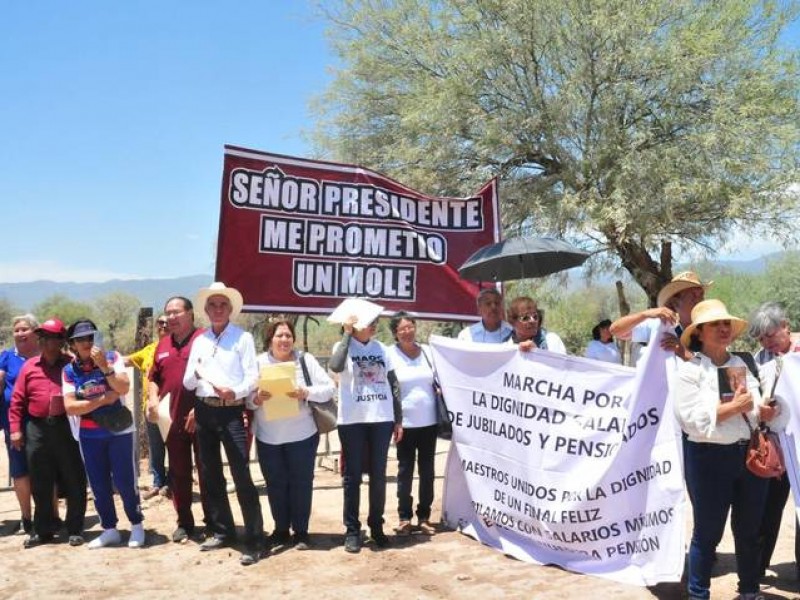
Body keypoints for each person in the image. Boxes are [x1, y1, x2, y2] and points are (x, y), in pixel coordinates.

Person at [675, 299, 787, 600]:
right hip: (708, 458)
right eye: (716, 324)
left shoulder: (741, 364)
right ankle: (699, 594)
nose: (724, 329)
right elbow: (691, 421)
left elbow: (751, 409)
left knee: (750, 530)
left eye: (726, 324)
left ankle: (749, 591)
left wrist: (761, 412)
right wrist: (730, 408)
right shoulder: (689, 372)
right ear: (699, 332)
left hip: (747, 455)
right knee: (707, 533)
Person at [183, 282, 265, 566]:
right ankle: (222, 530)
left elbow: (252, 377)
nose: (217, 309)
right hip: (205, 410)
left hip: (231, 411)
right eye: (213, 305)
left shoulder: (242, 339)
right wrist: (197, 374)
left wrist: (236, 392)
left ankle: (255, 538)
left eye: (223, 305)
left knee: (241, 474)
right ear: (206, 310)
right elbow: (187, 382)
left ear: (230, 310)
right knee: (210, 473)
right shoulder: (200, 341)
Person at [252, 318, 335, 550]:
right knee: (275, 484)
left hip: (303, 435)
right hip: (269, 437)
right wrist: (257, 398)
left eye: (288, 335)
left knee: (301, 484)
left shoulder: (305, 360)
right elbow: (247, 399)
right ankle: (280, 530)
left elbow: (329, 388)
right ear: (270, 340)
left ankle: (300, 532)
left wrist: (305, 392)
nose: (284, 340)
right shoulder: (258, 363)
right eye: (279, 335)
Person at [62, 318, 144, 549]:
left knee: (126, 481)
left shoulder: (112, 358)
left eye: (91, 337)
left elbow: (123, 387)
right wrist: (103, 400)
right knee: (98, 484)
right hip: (89, 434)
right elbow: (70, 406)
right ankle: (109, 529)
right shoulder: (69, 371)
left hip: (119, 432)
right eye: (81, 339)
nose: (87, 342)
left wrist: (104, 368)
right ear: (72, 344)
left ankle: (137, 525)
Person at [9, 318, 87, 548]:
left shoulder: (71, 364)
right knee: (41, 480)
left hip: (66, 426)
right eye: (42, 337)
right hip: (37, 428)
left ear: (61, 340)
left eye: (51, 337)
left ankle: (74, 528)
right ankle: (43, 530)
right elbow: (17, 401)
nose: (45, 341)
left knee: (73, 477)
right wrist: (15, 430)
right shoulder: (30, 366)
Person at [329, 314, 403, 554]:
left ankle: (376, 526)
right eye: (367, 321)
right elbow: (336, 366)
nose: (372, 325)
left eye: (374, 321)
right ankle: (352, 530)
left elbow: (393, 384)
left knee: (378, 475)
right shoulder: (342, 345)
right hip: (352, 420)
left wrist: (398, 419)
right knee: (352, 477)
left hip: (381, 418)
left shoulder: (382, 348)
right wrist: (347, 335)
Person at [147, 296, 210, 544]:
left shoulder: (205, 340)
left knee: (207, 472)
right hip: (171, 420)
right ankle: (184, 522)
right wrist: (152, 399)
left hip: (202, 418)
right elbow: (154, 378)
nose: (171, 317)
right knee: (178, 473)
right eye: (168, 313)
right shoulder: (162, 345)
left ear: (191, 314)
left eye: (177, 312)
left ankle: (213, 521)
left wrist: (200, 407)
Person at [748, 302, 800, 580]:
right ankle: (755, 570)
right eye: (762, 337)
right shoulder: (758, 360)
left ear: (786, 326)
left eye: (771, 334)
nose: (767, 341)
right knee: (768, 508)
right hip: (774, 446)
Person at [386, 311, 438, 536]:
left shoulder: (428, 352)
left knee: (427, 471)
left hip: (430, 422)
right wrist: (395, 421)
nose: (407, 332)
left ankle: (424, 517)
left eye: (410, 327)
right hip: (404, 424)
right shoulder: (389, 355)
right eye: (402, 329)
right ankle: (404, 517)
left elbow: (439, 378)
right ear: (395, 334)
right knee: (405, 471)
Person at [610, 271, 711, 361]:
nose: (699, 300)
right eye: (693, 295)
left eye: (701, 295)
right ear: (675, 303)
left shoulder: (712, 326)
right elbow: (616, 330)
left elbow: (716, 365)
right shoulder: (661, 325)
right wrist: (644, 315)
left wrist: (685, 353)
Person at [0, 314, 41, 535]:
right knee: (20, 471)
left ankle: (49, 515)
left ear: (36, 332)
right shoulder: (6, 357)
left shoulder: (47, 354)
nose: (20, 334)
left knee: (45, 469)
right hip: (13, 424)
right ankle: (26, 517)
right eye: (16, 330)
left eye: (24, 329)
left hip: (44, 424)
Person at [125, 314, 170, 500]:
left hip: (172, 406)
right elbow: (124, 360)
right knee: (155, 446)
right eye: (160, 323)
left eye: (167, 323)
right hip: (151, 407)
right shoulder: (149, 350)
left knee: (175, 446)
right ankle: (158, 482)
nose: (164, 326)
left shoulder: (181, 348)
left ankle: (175, 483)